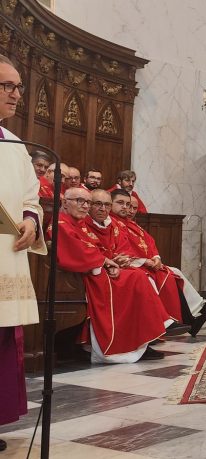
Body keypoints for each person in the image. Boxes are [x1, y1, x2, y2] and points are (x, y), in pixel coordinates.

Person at [53, 188, 179, 363]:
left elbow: (99, 248)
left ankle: (143, 337)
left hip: (96, 269)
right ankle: (137, 337)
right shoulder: (61, 223)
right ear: (64, 202)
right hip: (83, 274)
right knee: (136, 278)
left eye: (87, 202)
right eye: (81, 201)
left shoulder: (77, 222)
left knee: (139, 276)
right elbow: (78, 250)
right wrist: (106, 262)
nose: (85, 206)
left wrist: (115, 261)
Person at [0, 53, 45, 452]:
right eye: (7, 86)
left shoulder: (15, 144)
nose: (16, 94)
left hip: (7, 256)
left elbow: (32, 197)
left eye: (18, 87)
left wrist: (31, 221)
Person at [110, 189, 206, 336]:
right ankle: (164, 321)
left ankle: (195, 311)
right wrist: (145, 261)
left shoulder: (130, 224)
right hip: (129, 265)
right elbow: (120, 250)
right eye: (121, 203)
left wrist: (156, 258)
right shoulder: (113, 223)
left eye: (129, 205)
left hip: (142, 263)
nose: (126, 208)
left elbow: (149, 242)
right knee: (159, 276)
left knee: (173, 272)